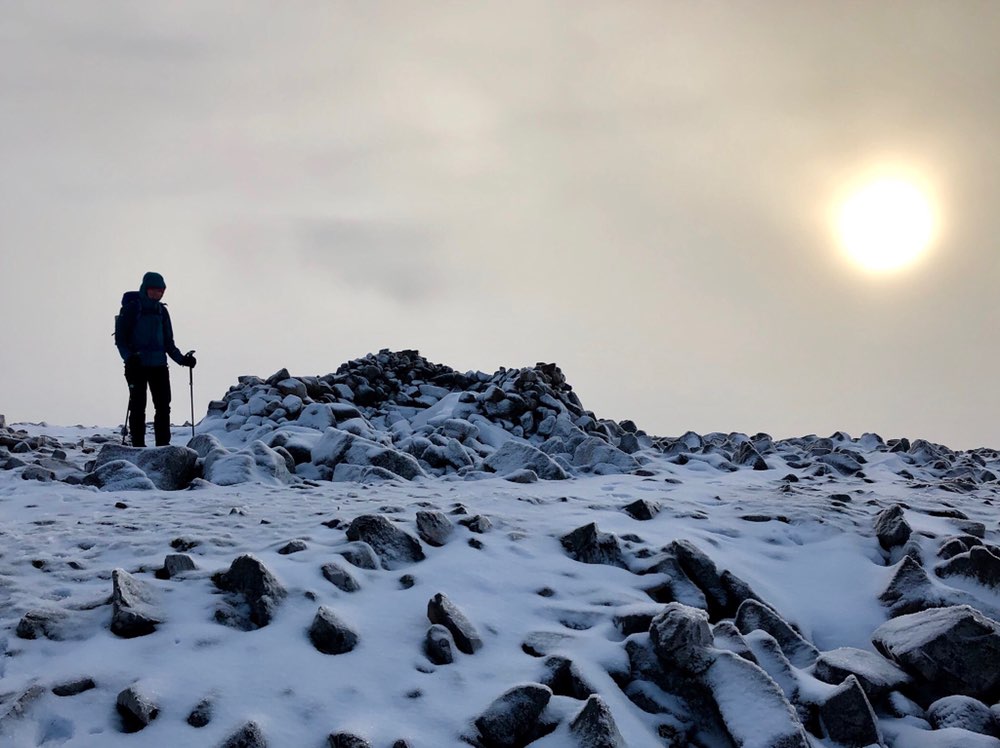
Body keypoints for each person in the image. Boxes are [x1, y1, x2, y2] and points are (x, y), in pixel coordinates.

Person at [115, 272, 196, 447]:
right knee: (138, 405)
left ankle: (163, 446)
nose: (157, 294)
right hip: (136, 366)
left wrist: (183, 360)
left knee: (163, 406)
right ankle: (138, 445)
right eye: (154, 290)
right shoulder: (131, 309)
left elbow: (168, 343)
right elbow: (120, 340)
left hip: (159, 366)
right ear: (145, 289)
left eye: (161, 291)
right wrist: (129, 358)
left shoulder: (162, 312)